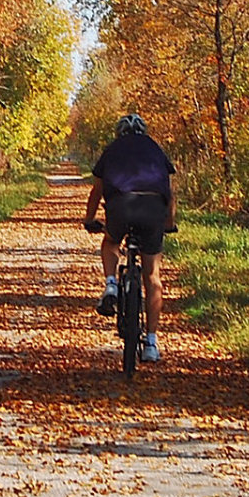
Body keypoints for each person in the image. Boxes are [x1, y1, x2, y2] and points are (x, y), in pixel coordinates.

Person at [82, 114, 176, 363]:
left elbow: (97, 190)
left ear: (119, 132)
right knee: (152, 276)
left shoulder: (112, 149)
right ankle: (152, 344)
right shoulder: (155, 148)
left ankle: (111, 283)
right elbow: (170, 191)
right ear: (143, 131)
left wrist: (89, 219)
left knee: (111, 241)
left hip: (121, 207)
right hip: (153, 208)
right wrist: (169, 224)